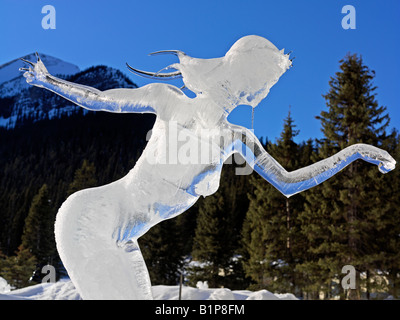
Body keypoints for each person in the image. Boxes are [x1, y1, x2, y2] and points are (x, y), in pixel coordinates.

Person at [20, 35, 396, 299]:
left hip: (123, 237)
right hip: (91, 221)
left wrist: (355, 151)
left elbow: (289, 183)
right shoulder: (168, 99)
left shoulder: (238, 137)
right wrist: (48, 81)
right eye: (266, 82)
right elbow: (103, 100)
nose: (264, 92)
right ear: (251, 82)